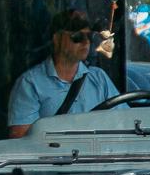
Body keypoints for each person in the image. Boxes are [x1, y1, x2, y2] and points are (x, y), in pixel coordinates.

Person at [8, 7, 119, 137]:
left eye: (89, 36)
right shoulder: (30, 83)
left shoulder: (99, 79)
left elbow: (123, 123)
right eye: (77, 37)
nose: (86, 42)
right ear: (57, 38)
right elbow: (21, 141)